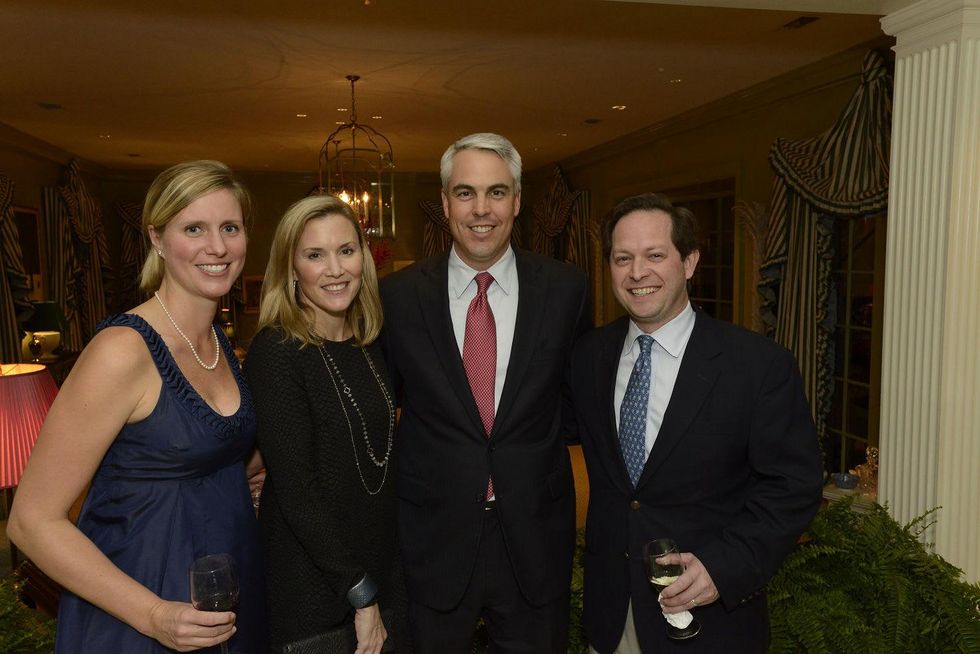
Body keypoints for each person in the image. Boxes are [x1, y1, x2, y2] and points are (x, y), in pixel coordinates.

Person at [7, 160, 267, 652]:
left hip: (224, 595)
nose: (217, 247)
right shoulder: (122, 351)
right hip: (141, 608)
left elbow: (188, 453)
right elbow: (30, 521)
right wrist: (154, 615)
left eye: (229, 227)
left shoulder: (215, 339)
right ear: (156, 238)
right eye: (194, 228)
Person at [565, 193, 824, 653]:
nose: (637, 272)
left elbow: (793, 486)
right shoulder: (588, 357)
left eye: (655, 255)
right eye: (622, 258)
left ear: (689, 261)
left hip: (712, 623)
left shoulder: (757, 366)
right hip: (612, 618)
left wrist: (723, 568)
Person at [379, 133, 590, 652]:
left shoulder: (567, 289)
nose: (481, 209)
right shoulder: (396, 297)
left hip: (534, 540)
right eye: (466, 192)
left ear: (518, 201)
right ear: (445, 202)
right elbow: (381, 410)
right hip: (432, 540)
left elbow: (575, 403)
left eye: (496, 192)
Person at [244, 195, 408, 654]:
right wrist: (361, 594)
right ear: (292, 268)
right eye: (315, 255)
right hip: (315, 584)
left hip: (381, 568)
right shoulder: (277, 352)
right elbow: (299, 492)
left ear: (364, 258)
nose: (335, 269)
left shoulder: (370, 344)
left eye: (346, 251)